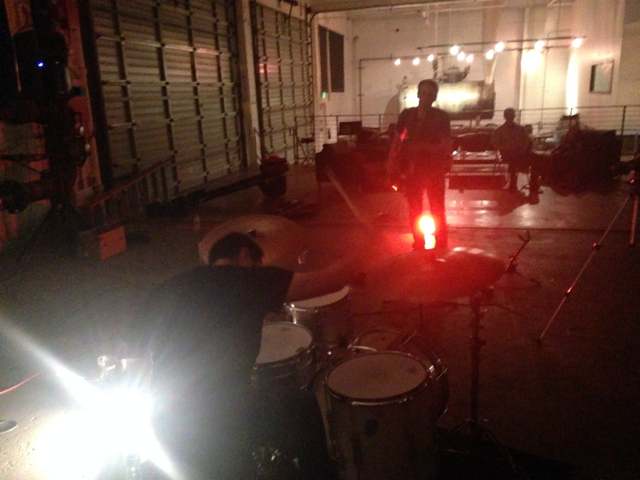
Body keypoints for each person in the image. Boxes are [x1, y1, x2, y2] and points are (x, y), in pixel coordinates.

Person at [120, 232, 346, 479]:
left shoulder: (165, 289)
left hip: (165, 422)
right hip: (224, 422)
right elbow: (325, 281)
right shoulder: (248, 279)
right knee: (302, 406)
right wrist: (364, 254)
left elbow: (127, 352)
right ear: (244, 255)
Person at [387, 79, 452, 251]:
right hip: (413, 169)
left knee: (437, 207)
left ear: (435, 97)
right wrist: (391, 160)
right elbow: (398, 139)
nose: (426, 98)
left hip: (433, 169)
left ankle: (441, 243)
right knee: (414, 208)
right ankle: (418, 242)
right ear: (418, 94)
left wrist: (422, 147)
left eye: (430, 94)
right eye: (424, 93)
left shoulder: (441, 117)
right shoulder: (407, 115)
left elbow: (446, 145)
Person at [491, 107, 540, 193]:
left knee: (536, 158)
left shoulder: (520, 129)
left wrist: (522, 150)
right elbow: (495, 144)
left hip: (520, 152)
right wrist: (508, 149)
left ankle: (534, 182)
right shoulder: (499, 130)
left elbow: (526, 141)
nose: (511, 117)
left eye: (512, 115)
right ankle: (513, 181)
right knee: (513, 157)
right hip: (507, 154)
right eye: (509, 115)